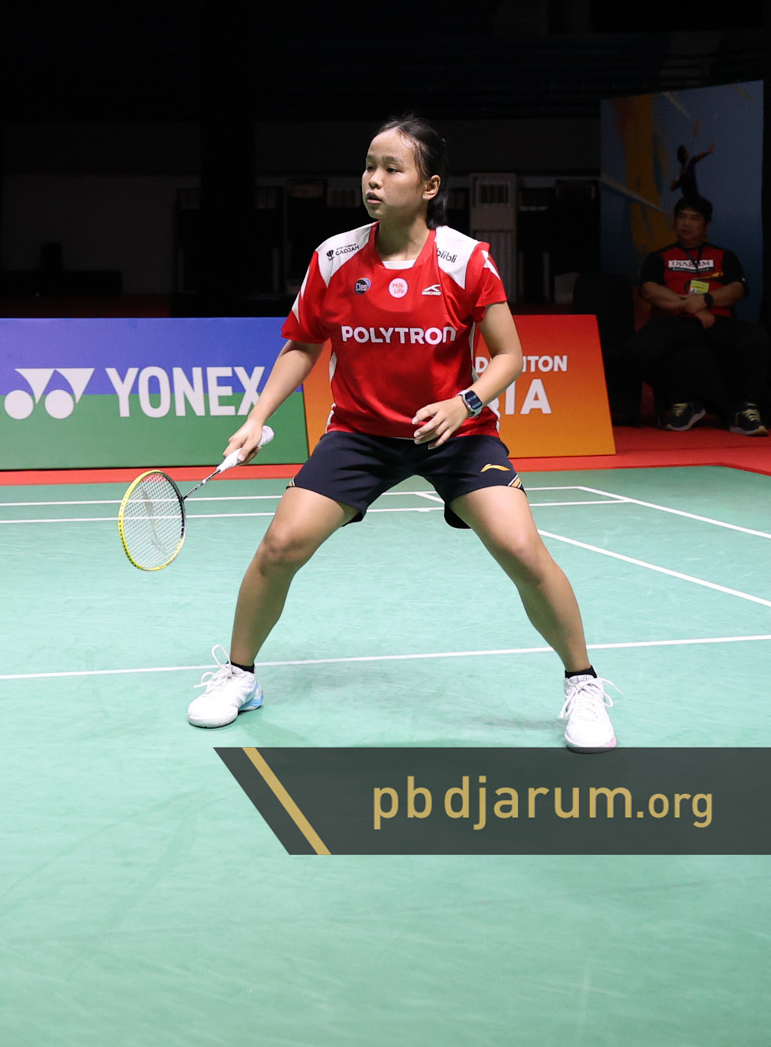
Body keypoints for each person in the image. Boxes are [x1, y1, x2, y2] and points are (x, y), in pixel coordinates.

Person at [187, 115, 617, 752]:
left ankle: (583, 684)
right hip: (360, 434)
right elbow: (303, 345)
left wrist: (464, 403)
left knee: (522, 550)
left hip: (455, 434)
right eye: (369, 166)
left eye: (392, 168)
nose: (374, 179)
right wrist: (257, 419)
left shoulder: (466, 260)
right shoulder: (333, 258)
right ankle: (239, 676)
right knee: (280, 546)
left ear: (429, 185)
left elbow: (509, 356)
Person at [622, 196, 767, 436]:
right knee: (637, 349)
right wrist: (690, 306)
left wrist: (706, 300)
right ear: (674, 221)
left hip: (716, 321)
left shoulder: (724, 255)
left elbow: (737, 289)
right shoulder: (659, 257)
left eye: (694, 218)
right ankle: (681, 400)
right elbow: (649, 290)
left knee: (757, 338)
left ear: (707, 225)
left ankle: (743, 408)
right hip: (672, 321)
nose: (686, 223)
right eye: (682, 217)